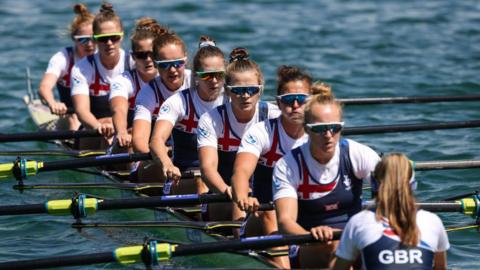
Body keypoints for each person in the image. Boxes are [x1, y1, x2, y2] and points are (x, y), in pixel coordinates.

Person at [272, 93, 380, 268]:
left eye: (335, 128)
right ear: (306, 129)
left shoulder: (359, 154)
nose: (328, 135)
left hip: (353, 237)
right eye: (320, 128)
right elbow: (285, 221)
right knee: (336, 247)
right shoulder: (288, 165)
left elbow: (388, 201)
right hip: (307, 242)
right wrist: (312, 237)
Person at [197, 48, 279, 222]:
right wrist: (231, 191)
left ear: (260, 89)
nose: (246, 96)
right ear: (227, 91)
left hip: (265, 200)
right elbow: (207, 169)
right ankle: (241, 239)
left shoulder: (274, 116)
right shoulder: (212, 119)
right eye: (238, 90)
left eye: (252, 90)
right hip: (223, 196)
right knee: (239, 197)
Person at [333, 153, 449, 270]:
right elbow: (441, 268)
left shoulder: (358, 222)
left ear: (374, 184)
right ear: (413, 185)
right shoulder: (433, 221)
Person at [150, 36, 226, 194]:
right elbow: (157, 140)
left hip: (222, 179)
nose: (214, 81)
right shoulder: (177, 102)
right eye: (207, 75)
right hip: (184, 177)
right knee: (201, 183)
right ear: (196, 76)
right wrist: (167, 164)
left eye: (218, 74)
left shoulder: (232, 101)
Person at [131, 30, 192, 182]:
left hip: (190, 157)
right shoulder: (148, 93)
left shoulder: (198, 84)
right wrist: (162, 159)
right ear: (156, 65)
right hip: (156, 158)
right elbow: (139, 141)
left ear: (186, 60)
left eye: (177, 63)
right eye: (165, 65)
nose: (172, 70)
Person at [71, 2, 133, 149]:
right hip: (93, 130)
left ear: (122, 36)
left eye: (114, 37)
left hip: (127, 130)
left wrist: (120, 130)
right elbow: (82, 111)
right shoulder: (82, 68)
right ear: (94, 38)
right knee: (103, 138)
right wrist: (99, 127)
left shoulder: (133, 63)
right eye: (103, 38)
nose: (109, 43)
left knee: (129, 140)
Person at [109, 17, 165, 148]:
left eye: (152, 54)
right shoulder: (123, 81)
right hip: (130, 139)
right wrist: (121, 131)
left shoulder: (170, 77)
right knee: (130, 138)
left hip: (162, 139)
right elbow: (119, 109)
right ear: (133, 57)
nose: (148, 59)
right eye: (141, 55)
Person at [38, 3, 95, 131]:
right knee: (73, 119)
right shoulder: (62, 58)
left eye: (94, 39)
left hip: (98, 116)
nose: (90, 44)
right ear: (74, 39)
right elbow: (44, 87)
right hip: (70, 115)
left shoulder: (104, 58)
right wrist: (53, 103)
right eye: (84, 40)